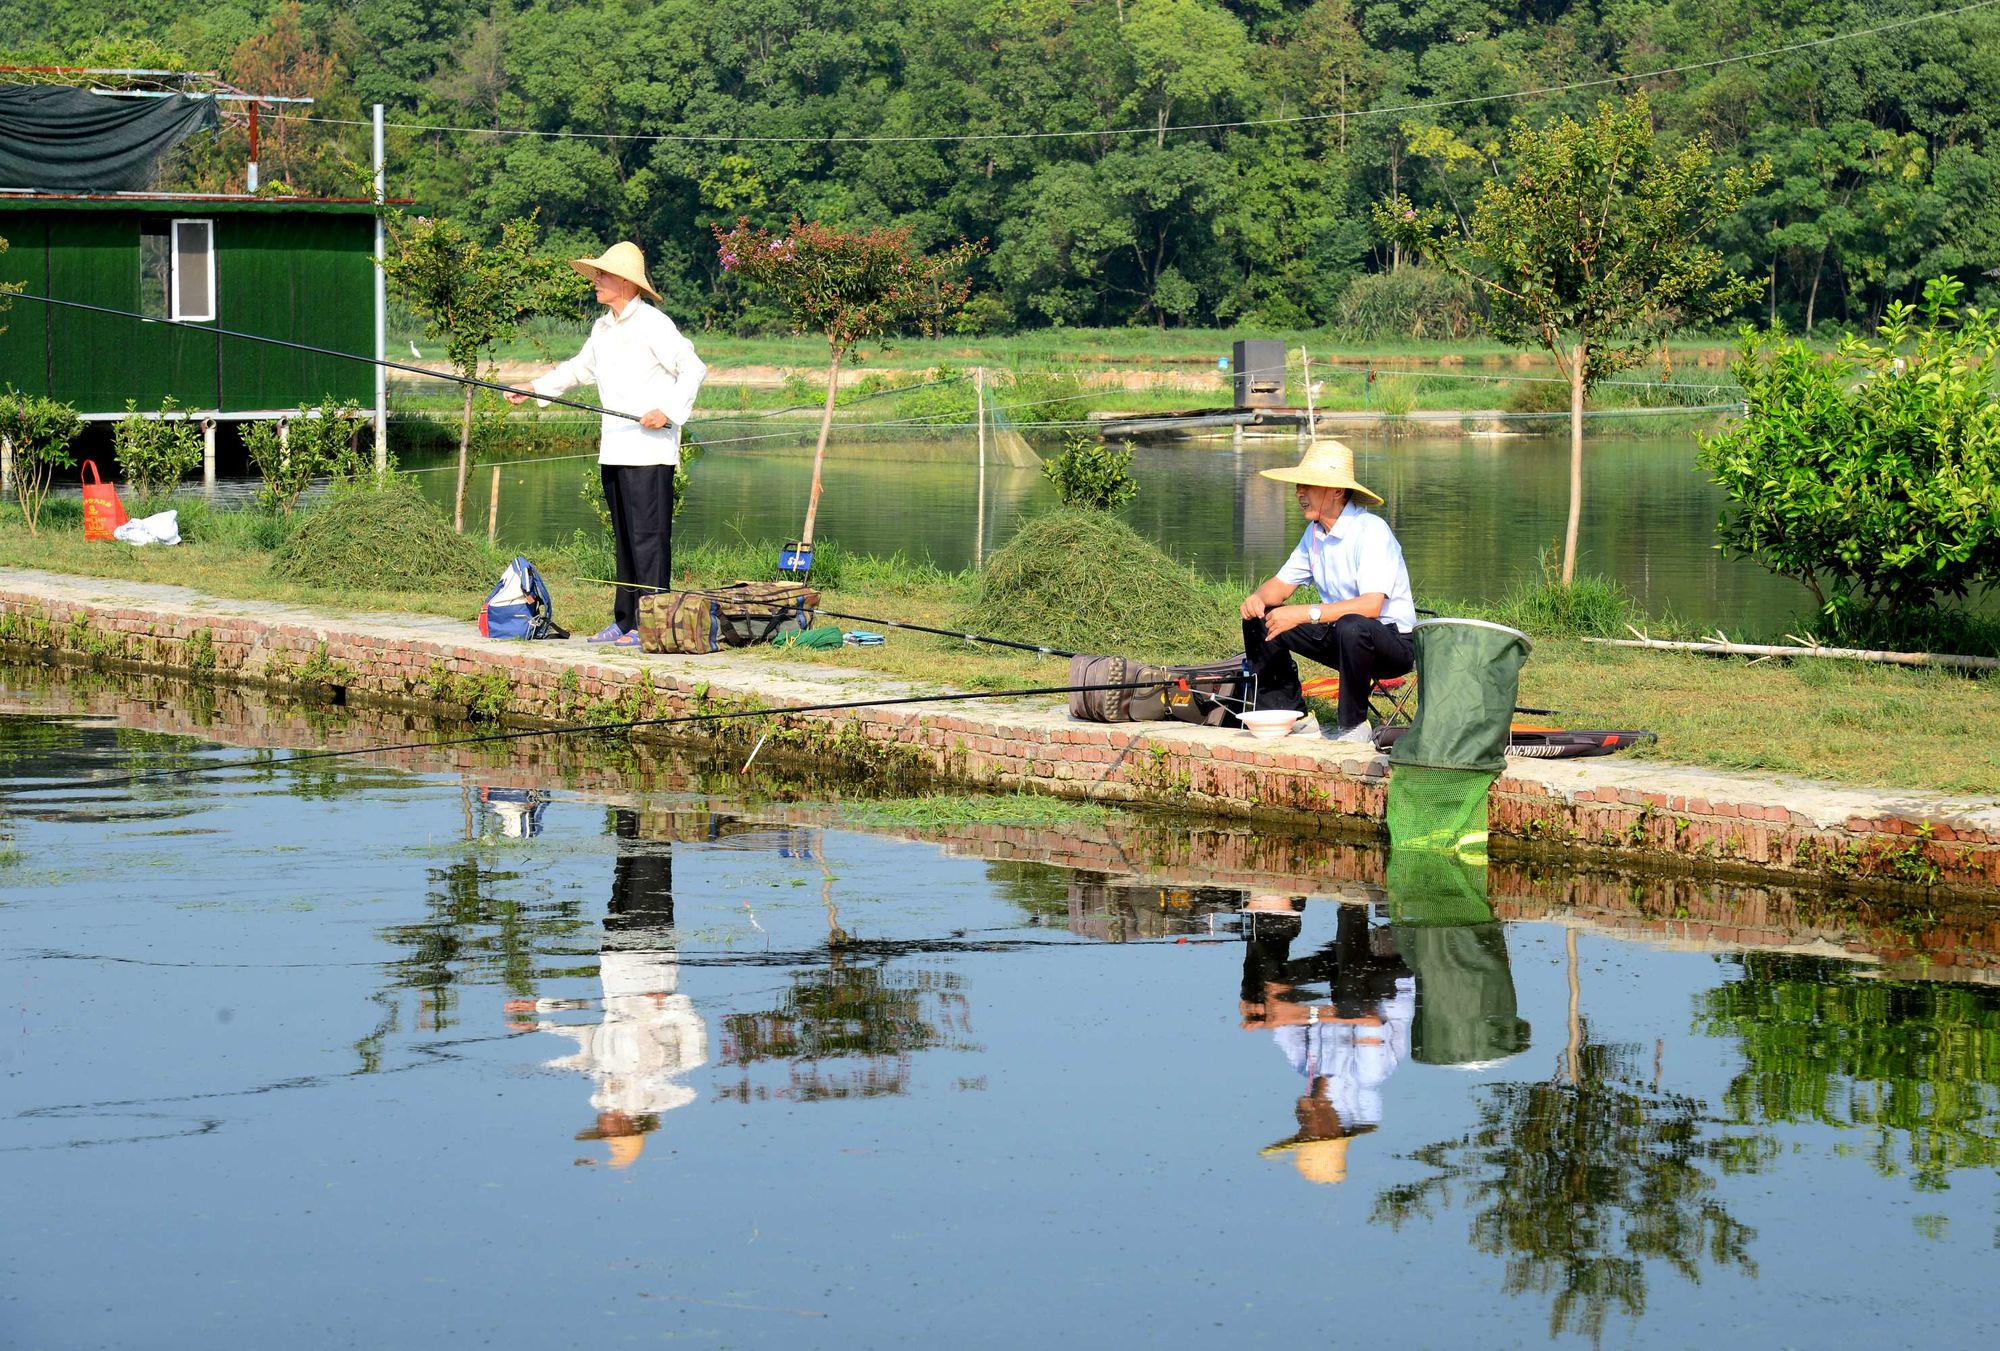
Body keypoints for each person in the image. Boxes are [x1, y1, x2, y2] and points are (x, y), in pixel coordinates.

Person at [509, 242, 707, 646]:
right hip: (615, 450)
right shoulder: (601, 328)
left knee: (648, 539)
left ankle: (651, 625)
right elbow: (578, 370)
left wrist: (666, 410)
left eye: (603, 274)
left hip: (649, 452)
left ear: (626, 283)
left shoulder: (654, 324)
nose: (595, 280)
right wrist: (533, 388)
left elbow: (693, 367)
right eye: (596, 274)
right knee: (624, 538)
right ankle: (625, 620)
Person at [1239, 437, 1417, 741]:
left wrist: (1305, 613)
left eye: (1307, 485)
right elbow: (1280, 587)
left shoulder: (1372, 531)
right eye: (1298, 486)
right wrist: (1257, 598)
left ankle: (1353, 725)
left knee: (1351, 625)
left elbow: (1371, 607)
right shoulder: (1314, 533)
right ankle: (1286, 714)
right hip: (1340, 637)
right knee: (1260, 618)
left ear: (1337, 491)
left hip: (1392, 643)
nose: (1298, 493)